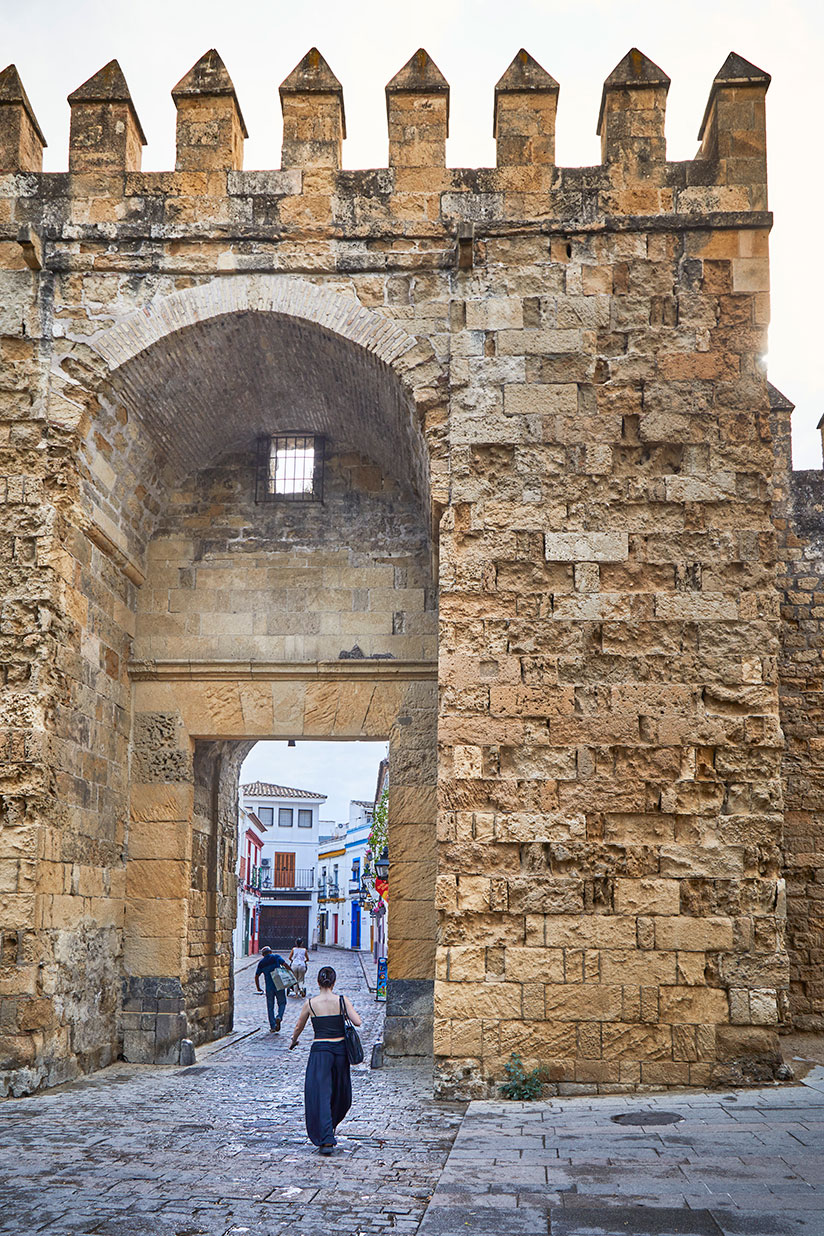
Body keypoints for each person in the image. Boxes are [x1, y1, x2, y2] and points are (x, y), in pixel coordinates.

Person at [289, 965, 362, 1154]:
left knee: (320, 1093)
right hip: (340, 1051)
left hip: (320, 1051)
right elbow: (358, 1022)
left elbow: (299, 1026)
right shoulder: (342, 1000)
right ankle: (330, 1126)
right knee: (340, 1091)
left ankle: (326, 1136)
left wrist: (293, 1041)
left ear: (318, 982)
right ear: (334, 981)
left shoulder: (311, 1003)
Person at [254, 946, 294, 1032]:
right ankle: (279, 1016)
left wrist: (258, 987)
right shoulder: (276, 957)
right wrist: (291, 973)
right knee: (282, 1003)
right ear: (270, 952)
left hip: (269, 987)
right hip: (279, 984)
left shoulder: (261, 963)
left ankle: (272, 1026)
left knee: (270, 1006)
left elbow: (257, 976)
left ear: (263, 955)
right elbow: (285, 964)